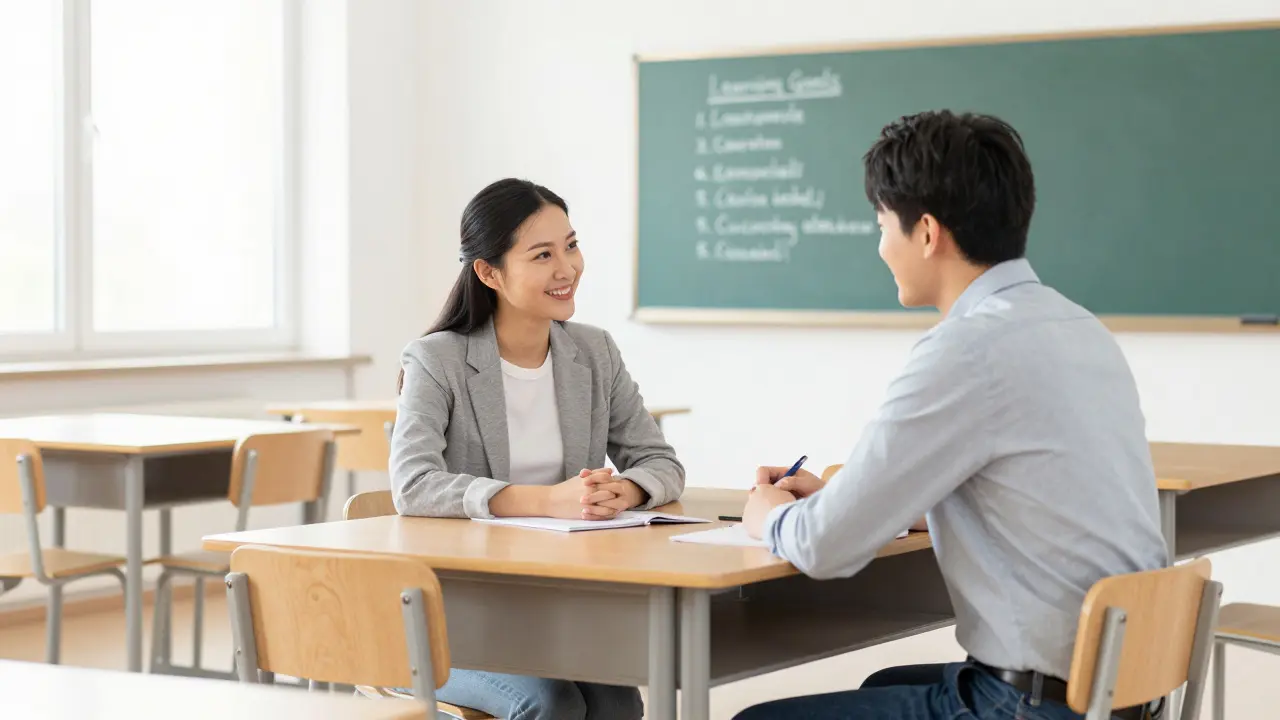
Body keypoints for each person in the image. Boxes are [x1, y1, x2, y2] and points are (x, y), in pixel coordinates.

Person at [735, 111, 1168, 720]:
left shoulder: (966, 350)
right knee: (881, 683)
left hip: (1033, 703)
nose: (881, 245)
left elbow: (825, 547)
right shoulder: (1076, 326)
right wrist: (844, 495)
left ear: (928, 233)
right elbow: (1019, 490)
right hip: (1119, 689)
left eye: (882, 224)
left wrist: (771, 515)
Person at [390, 178, 684, 720]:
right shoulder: (436, 360)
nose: (566, 268)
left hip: (554, 606)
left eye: (571, 246)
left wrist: (627, 488)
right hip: (454, 612)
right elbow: (413, 486)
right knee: (551, 703)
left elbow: (660, 461)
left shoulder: (593, 351)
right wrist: (547, 501)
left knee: (619, 702)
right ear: (489, 272)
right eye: (542, 254)